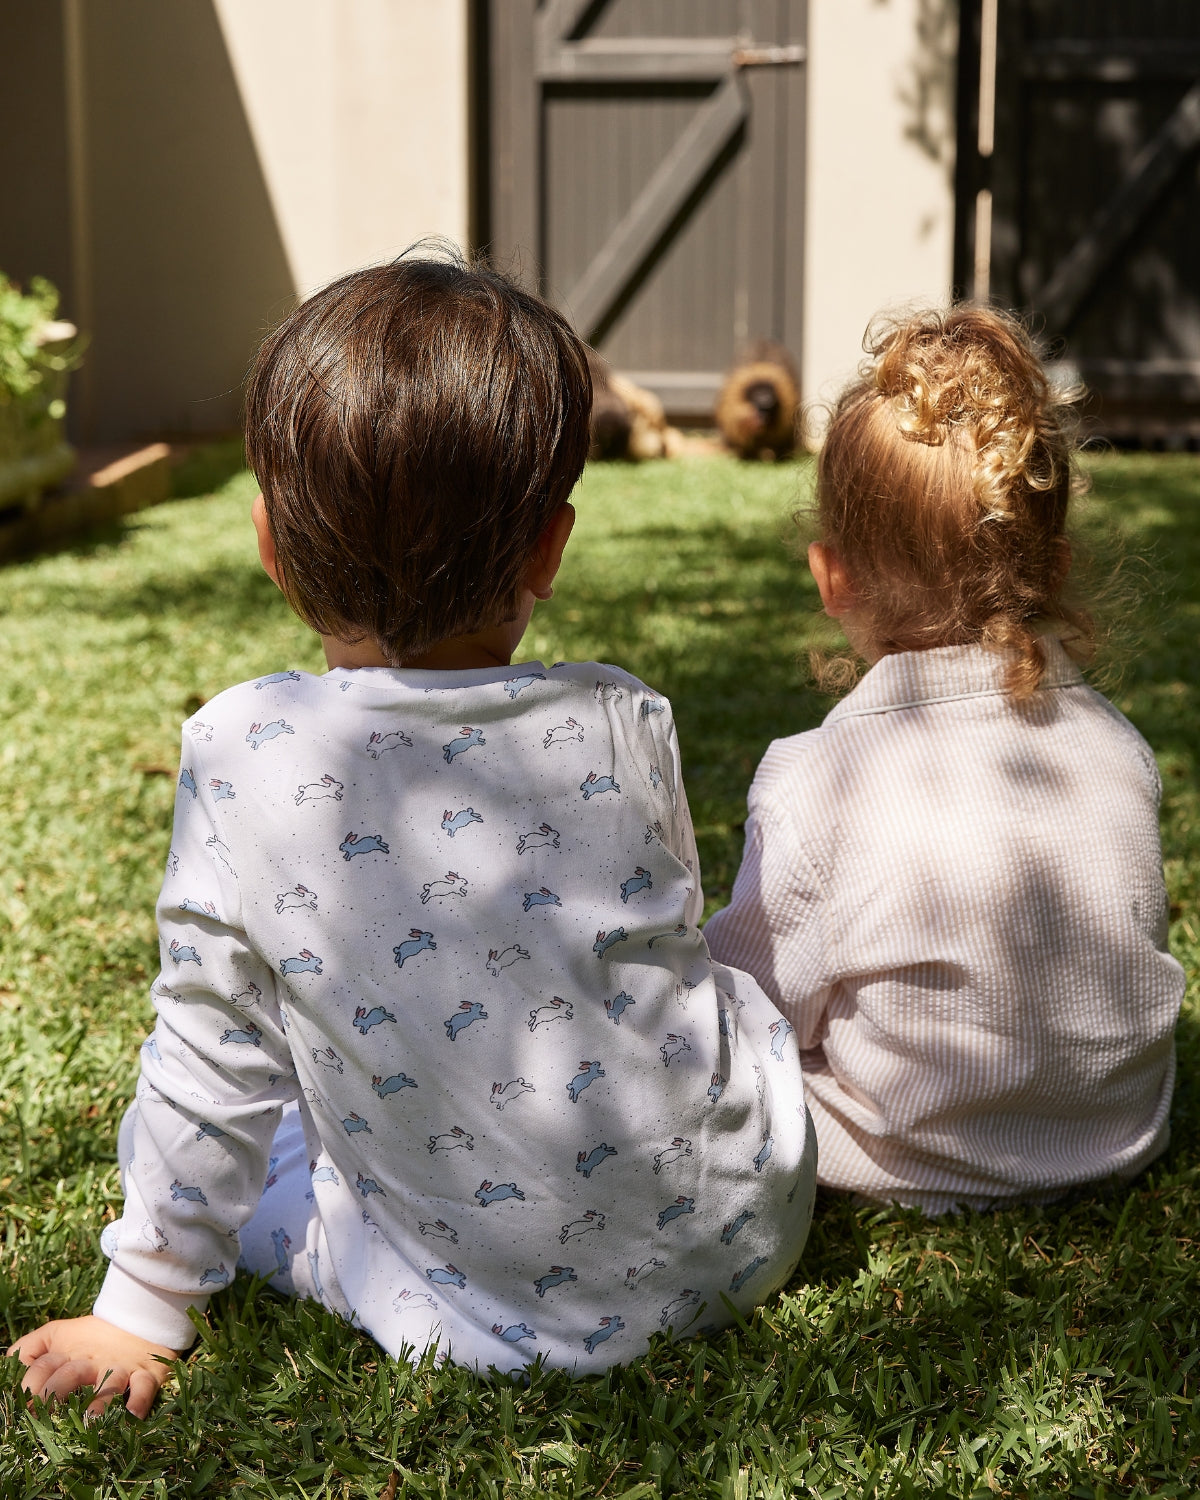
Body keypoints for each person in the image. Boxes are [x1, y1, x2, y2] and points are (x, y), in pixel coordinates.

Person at [12, 255, 816, 1417]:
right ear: (550, 547)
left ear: (270, 548)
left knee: (266, 1136)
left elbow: (211, 1054)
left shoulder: (243, 750)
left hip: (473, 1309)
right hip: (736, 1242)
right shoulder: (622, 716)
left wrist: (138, 1303)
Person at [704, 305, 1184, 1214]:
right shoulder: (1119, 746)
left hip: (920, 1158)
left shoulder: (820, 784)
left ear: (830, 575)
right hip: (1116, 1137)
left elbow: (749, 1010)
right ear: (1055, 565)